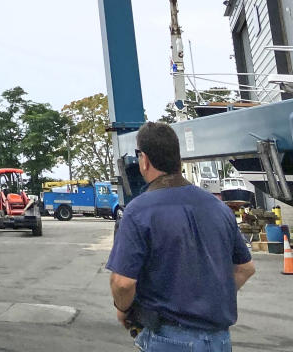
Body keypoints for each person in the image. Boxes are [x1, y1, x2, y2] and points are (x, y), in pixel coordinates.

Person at [107, 121, 256, 351]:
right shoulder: (219, 208)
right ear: (178, 159)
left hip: (167, 338)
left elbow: (123, 283)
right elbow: (245, 268)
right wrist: (208, 298)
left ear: (144, 160)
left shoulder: (138, 211)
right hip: (219, 341)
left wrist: (122, 308)